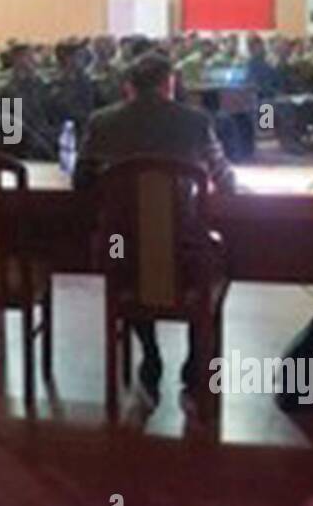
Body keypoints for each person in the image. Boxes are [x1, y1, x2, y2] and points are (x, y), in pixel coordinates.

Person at [74, 51, 236, 402]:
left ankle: (149, 351)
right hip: (186, 249)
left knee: (125, 265)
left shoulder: (101, 122)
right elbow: (224, 178)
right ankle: (196, 362)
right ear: (170, 84)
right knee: (211, 258)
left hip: (121, 249)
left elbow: (81, 181)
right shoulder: (195, 121)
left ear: (129, 87)